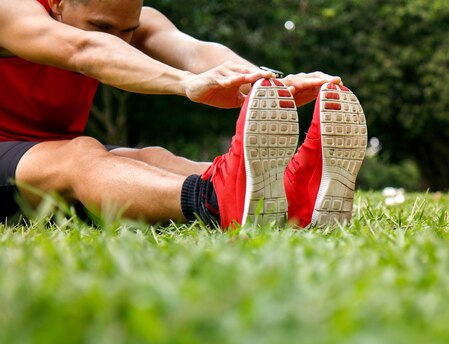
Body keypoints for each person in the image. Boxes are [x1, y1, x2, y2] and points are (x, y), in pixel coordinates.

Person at [0, 0, 367, 228]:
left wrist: (266, 84)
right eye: (103, 27)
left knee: (152, 158)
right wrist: (187, 83)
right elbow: (84, 50)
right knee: (80, 156)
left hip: (38, 157)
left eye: (126, 31)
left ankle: (289, 195)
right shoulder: (13, 9)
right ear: (59, 2)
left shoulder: (131, 17)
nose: (117, 38)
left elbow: (195, 51)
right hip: (29, 156)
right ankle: (214, 201)